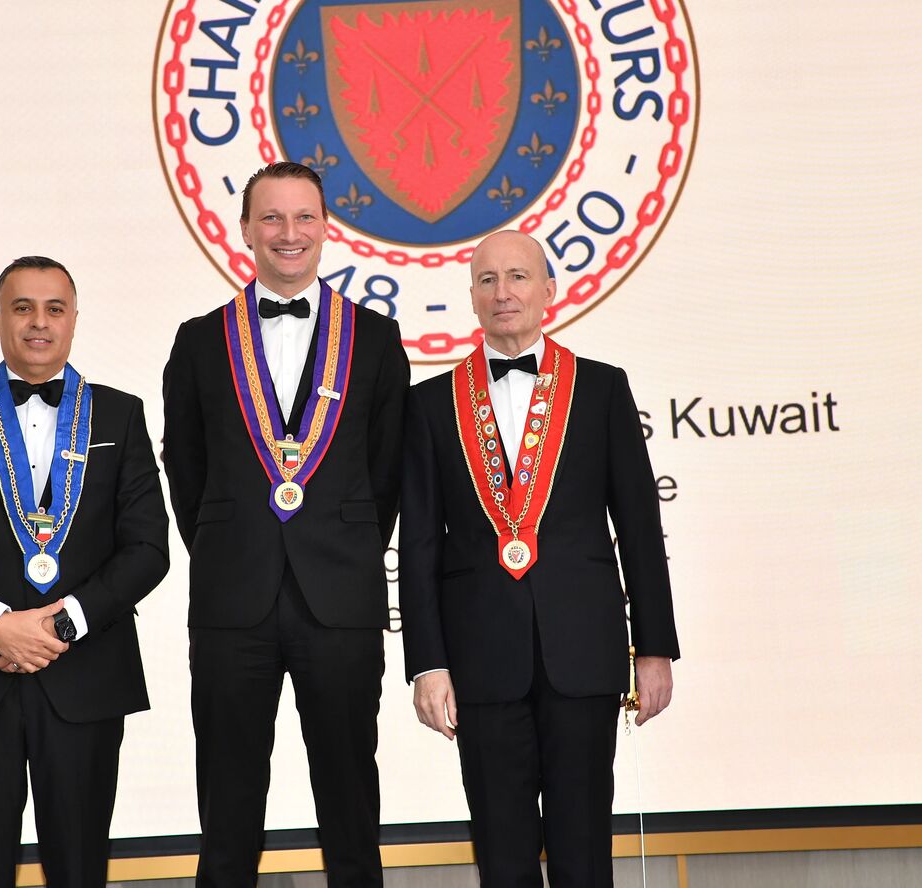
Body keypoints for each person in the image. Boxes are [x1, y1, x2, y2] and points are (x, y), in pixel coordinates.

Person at [399, 231, 679, 888]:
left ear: (549, 290)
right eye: (488, 280)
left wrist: (654, 648)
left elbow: (640, 528)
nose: (503, 293)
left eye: (518, 277)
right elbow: (420, 543)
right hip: (480, 661)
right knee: (503, 858)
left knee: (584, 854)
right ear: (472, 297)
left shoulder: (602, 389)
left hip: (583, 653)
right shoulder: (430, 404)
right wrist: (427, 663)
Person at [162, 161, 410, 888]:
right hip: (231, 605)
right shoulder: (199, 341)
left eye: (304, 217)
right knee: (227, 815)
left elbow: (387, 472)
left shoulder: (376, 338)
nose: (288, 232)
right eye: (271, 217)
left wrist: (343, 550)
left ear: (326, 228)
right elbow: (186, 472)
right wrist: (230, 549)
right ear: (244, 230)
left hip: (341, 601)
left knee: (351, 811)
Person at [0, 256, 169, 887]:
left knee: (79, 869)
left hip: (85, 677)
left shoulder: (120, 414)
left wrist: (58, 627)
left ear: (74, 320)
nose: (38, 323)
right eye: (22, 308)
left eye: (54, 309)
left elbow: (147, 548)